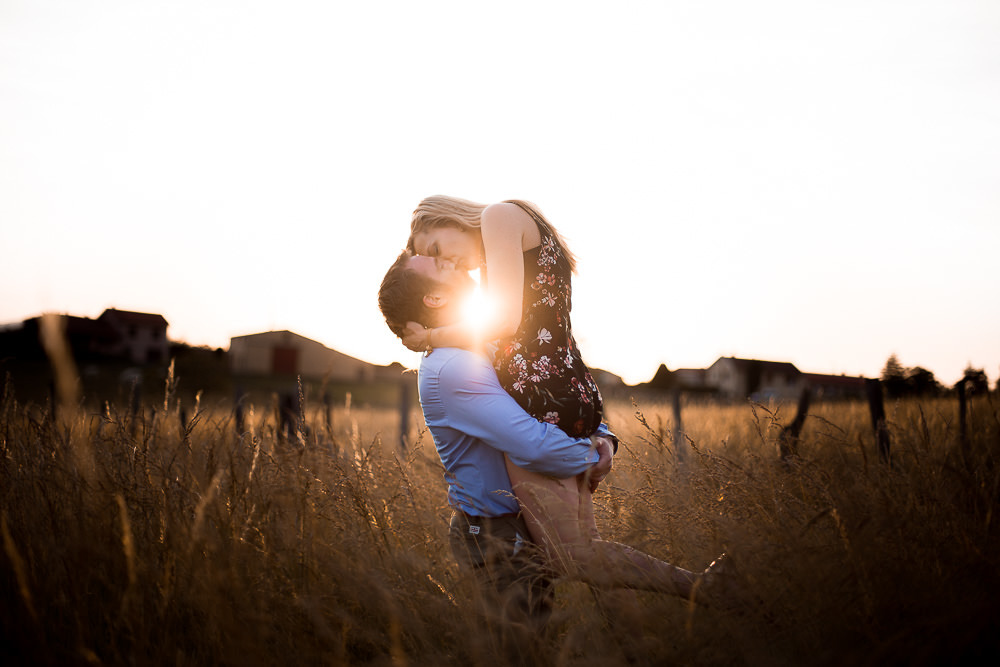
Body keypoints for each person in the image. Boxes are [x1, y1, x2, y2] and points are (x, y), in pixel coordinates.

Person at [378, 250, 723, 606]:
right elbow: (533, 445)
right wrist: (589, 453)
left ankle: (699, 592)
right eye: (438, 264)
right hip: (494, 531)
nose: (452, 260)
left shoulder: (481, 344)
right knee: (525, 647)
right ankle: (702, 589)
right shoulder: (453, 367)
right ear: (434, 298)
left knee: (582, 571)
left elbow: (549, 397)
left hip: (519, 519)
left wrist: (602, 434)